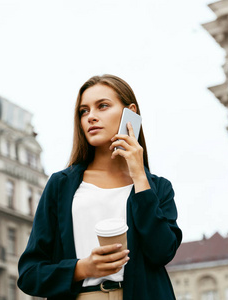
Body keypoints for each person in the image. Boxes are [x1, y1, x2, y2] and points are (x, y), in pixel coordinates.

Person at [17, 74, 182, 300]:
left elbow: (162, 252)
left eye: (102, 106)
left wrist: (139, 177)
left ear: (130, 112)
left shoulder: (158, 188)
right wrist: (83, 268)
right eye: (84, 111)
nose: (91, 117)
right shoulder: (61, 185)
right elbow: (30, 274)